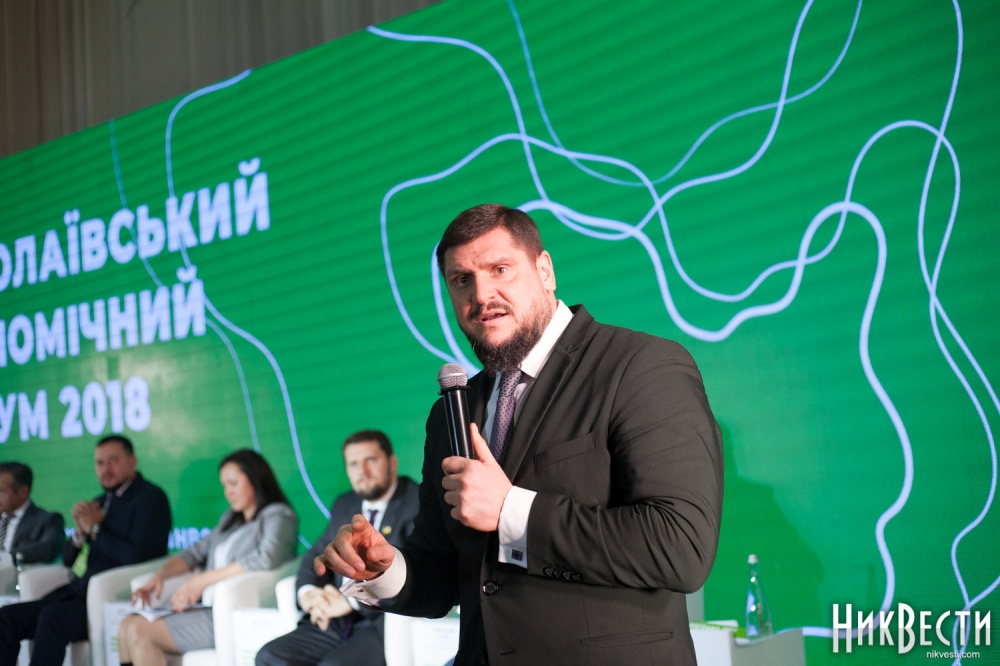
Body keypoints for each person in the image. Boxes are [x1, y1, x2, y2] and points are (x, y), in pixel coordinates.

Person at [320, 204, 724, 665]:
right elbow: (446, 573)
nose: (482, 294)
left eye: (500, 269)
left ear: (545, 271)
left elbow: (681, 547)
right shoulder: (452, 412)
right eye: (462, 279)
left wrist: (510, 510)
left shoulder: (641, 366)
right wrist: (386, 569)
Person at [0, 434, 172, 665]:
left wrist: (95, 529)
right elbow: (68, 559)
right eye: (100, 463)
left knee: (52, 618)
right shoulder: (99, 501)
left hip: (111, 595)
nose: (105, 469)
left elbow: (135, 556)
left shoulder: (150, 498)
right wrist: (80, 534)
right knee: (7, 617)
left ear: (133, 461)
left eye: (114, 460)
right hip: (78, 591)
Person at [118, 448, 298, 665]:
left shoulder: (279, 515)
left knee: (138, 629)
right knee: (125, 625)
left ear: (256, 479)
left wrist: (203, 580)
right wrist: (160, 576)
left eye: (233, 484)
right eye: (224, 486)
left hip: (230, 613)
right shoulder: (230, 519)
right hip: (205, 607)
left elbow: (266, 557)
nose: (228, 492)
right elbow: (194, 553)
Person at [255, 430, 419, 666]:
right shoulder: (345, 503)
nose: (362, 472)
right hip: (335, 617)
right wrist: (310, 595)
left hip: (382, 622)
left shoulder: (416, 501)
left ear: (392, 462)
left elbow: (413, 572)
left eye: (371, 460)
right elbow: (317, 554)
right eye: (354, 464)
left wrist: (349, 602)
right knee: (270, 656)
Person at [0, 461, 65, 566]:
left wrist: (5, 557)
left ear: (23, 491)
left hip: (18, 574)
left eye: (1, 492)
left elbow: (48, 549)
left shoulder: (48, 520)